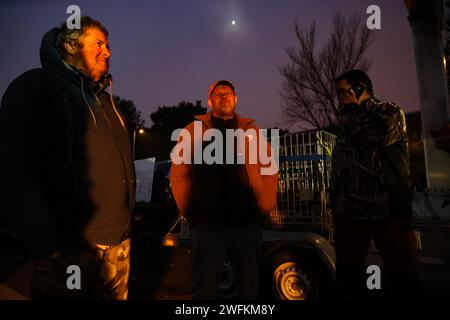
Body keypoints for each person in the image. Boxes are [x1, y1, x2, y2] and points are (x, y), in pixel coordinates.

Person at [0, 16, 135, 299]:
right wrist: (44, 240)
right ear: (72, 46)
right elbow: (14, 166)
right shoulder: (42, 86)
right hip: (70, 248)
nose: (107, 52)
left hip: (118, 246)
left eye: (108, 45)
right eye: (98, 43)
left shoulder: (107, 102)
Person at [170, 80, 278, 299]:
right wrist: (195, 216)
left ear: (236, 99)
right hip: (209, 228)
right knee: (205, 290)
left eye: (228, 93)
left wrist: (262, 209)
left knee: (249, 290)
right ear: (210, 101)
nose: (223, 96)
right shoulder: (193, 132)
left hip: (247, 227)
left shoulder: (252, 132)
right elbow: (179, 176)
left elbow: (270, 169)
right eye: (217, 94)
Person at [331, 70, 421, 299]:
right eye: (338, 93)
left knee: (403, 276)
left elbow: (375, 135)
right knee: (348, 278)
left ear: (360, 88)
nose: (339, 97)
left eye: (344, 91)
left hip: (387, 210)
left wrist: (354, 110)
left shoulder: (388, 112)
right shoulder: (348, 124)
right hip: (351, 214)